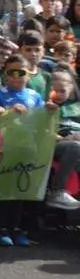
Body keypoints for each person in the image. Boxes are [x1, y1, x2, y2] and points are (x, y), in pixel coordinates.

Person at [0, 53, 45, 246]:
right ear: (6, 73)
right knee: (5, 189)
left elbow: (43, 120)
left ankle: (17, 228)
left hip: (27, 148)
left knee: (21, 189)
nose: (15, 76)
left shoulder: (35, 96)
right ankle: (0, 228)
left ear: (29, 74)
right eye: (11, 72)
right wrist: (2, 112)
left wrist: (51, 110)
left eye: (20, 72)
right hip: (6, 147)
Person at [45, 68, 80, 210]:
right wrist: (66, 138)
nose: (58, 94)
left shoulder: (76, 108)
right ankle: (57, 191)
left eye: (62, 91)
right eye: (54, 90)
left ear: (71, 90)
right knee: (74, 147)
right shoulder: (44, 107)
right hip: (55, 144)